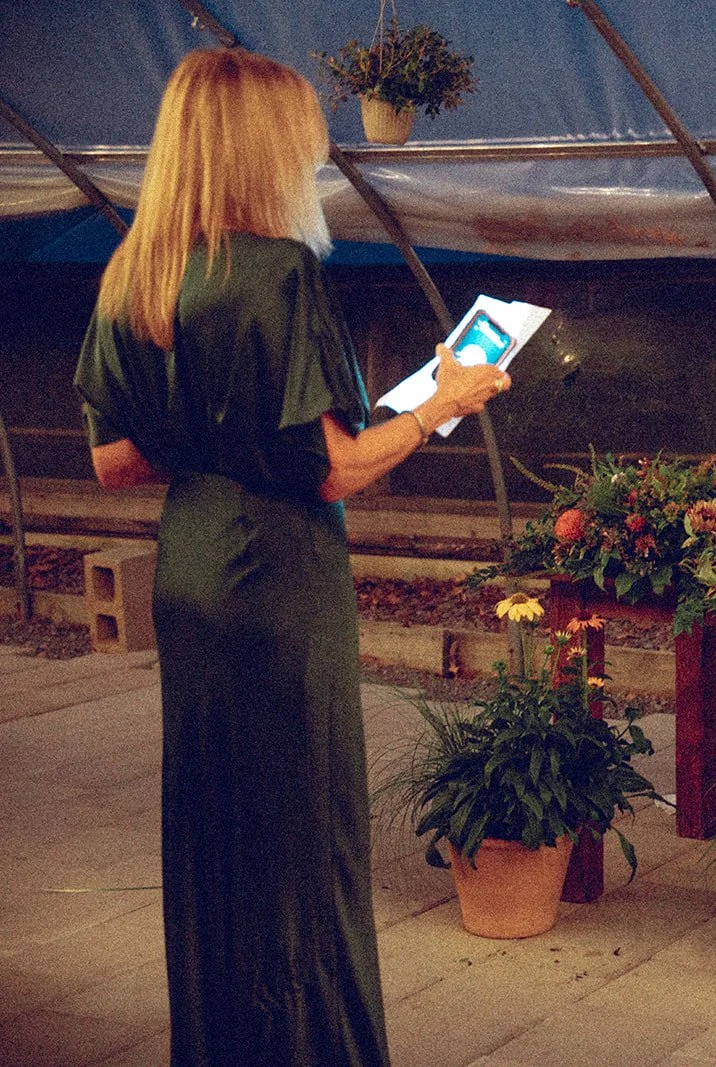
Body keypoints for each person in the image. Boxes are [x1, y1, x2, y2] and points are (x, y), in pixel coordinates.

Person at [73, 49, 508, 1065]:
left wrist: (215, 438)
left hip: (190, 565)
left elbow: (113, 462)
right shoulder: (278, 272)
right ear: (262, 148)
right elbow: (333, 472)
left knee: (218, 830)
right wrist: (445, 400)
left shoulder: (131, 271)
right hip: (278, 577)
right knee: (305, 838)